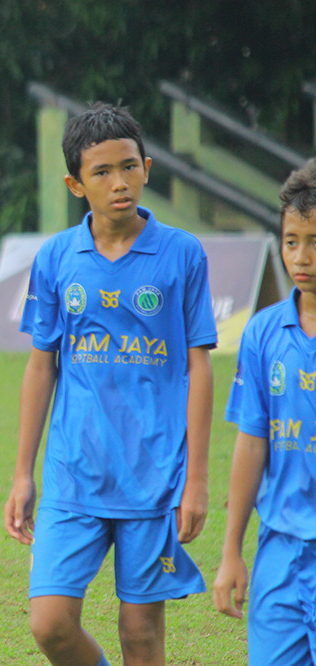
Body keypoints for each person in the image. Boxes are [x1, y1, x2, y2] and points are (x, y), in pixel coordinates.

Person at [4, 102, 216, 666]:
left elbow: (199, 366)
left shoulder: (182, 253)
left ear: (147, 168)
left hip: (154, 474)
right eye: (101, 172)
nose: (119, 182)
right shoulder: (56, 257)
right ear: (76, 184)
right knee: (50, 625)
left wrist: (196, 480)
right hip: (73, 473)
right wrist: (23, 473)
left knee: (140, 635)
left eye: (128, 166)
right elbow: (41, 366)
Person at [214, 158, 316, 664]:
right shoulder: (262, 332)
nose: (302, 256)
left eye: (315, 241)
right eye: (291, 241)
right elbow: (252, 442)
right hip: (280, 552)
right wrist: (231, 550)